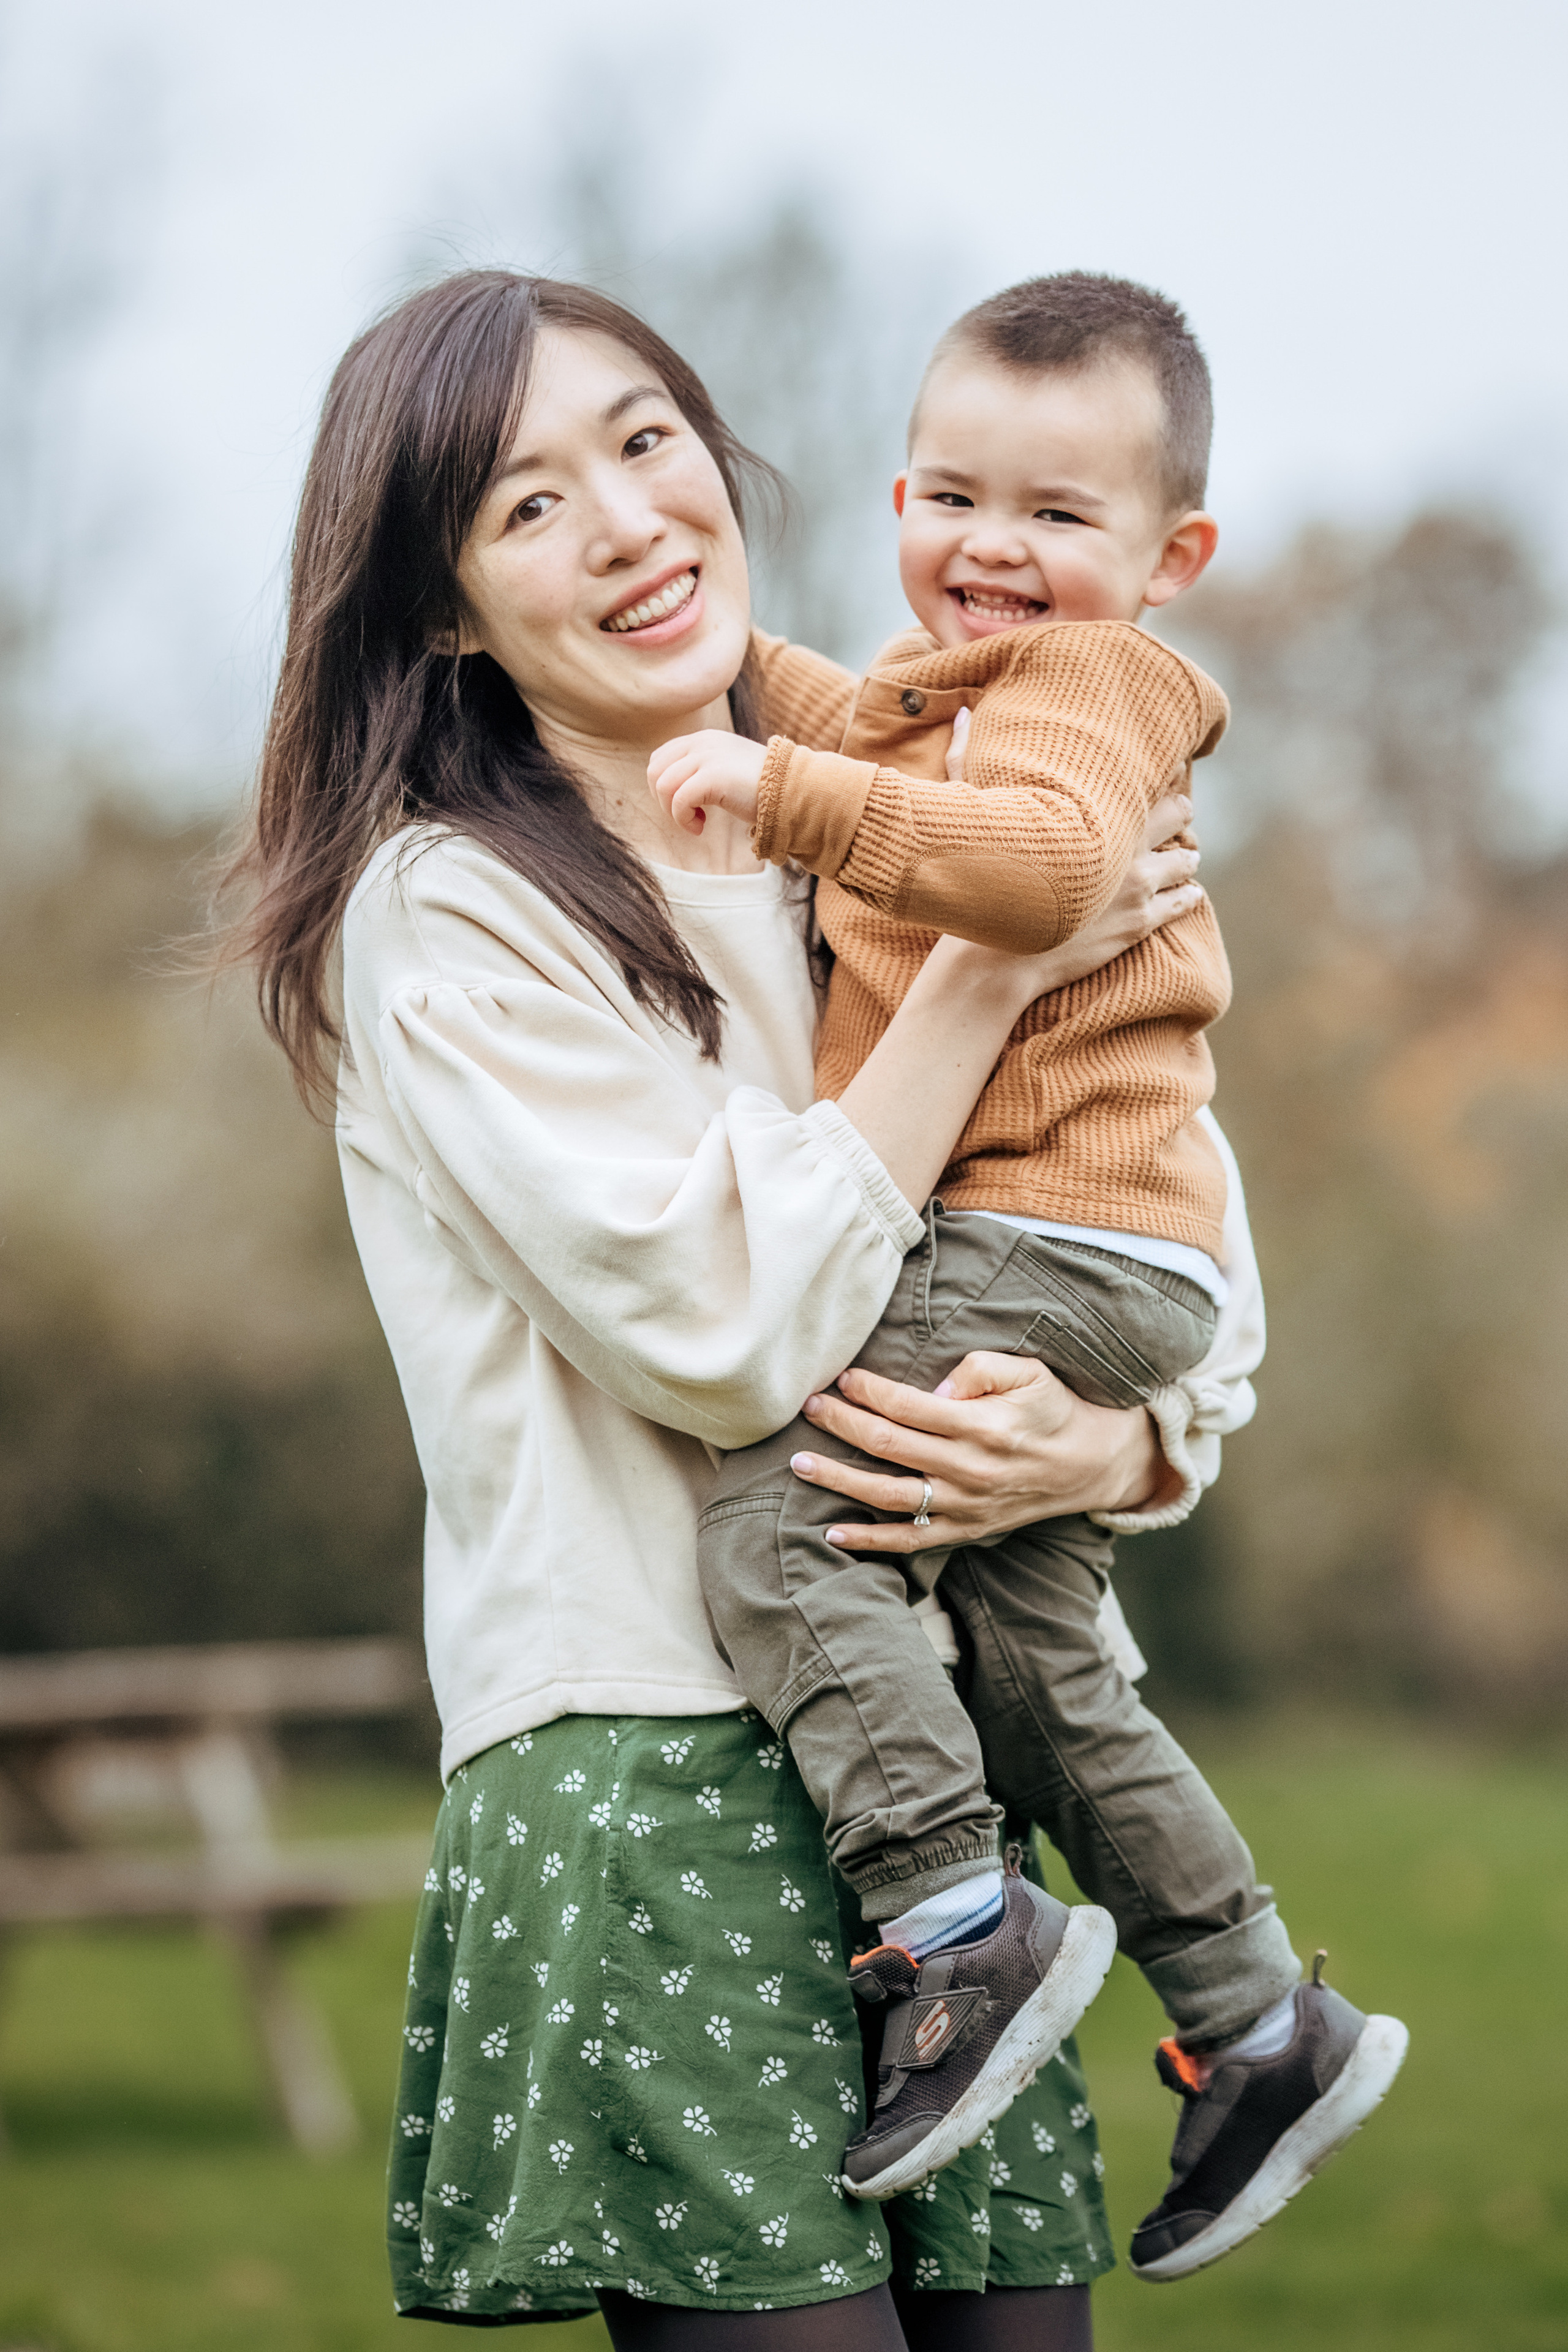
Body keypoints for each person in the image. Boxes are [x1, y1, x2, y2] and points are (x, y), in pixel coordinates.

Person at [226, 265, 1264, 2342]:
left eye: (642, 441)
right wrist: (994, 967)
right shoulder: (453, 917)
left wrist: (1134, 1440)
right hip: (648, 1756)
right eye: (525, 505)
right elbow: (728, 1329)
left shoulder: (867, 839)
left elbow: (1177, 1217)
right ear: (442, 606)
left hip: (931, 1767)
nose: (623, 523)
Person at [652, 271, 1407, 2270]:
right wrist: (709, 678)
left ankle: (955, 1931)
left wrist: (784, 796)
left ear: (1171, 560)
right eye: (953, 492)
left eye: (1060, 519)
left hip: (1040, 1235)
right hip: (1090, 1255)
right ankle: (1260, 2024)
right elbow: (813, 699)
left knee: (781, 1514)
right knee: (1035, 1664)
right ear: (899, 491)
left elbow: (1049, 875)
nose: (994, 546)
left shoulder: (1096, 691)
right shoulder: (948, 684)